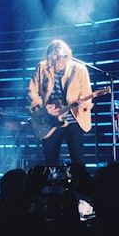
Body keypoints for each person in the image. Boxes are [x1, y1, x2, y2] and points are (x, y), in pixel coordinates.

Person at [27, 39, 94, 167]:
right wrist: (44, 107)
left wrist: (84, 104)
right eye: (52, 58)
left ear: (66, 56)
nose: (55, 61)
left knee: (78, 161)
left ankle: (80, 186)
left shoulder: (79, 69)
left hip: (74, 119)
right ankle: (52, 186)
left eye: (59, 58)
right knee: (50, 162)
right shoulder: (42, 67)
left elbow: (87, 96)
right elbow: (31, 91)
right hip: (49, 120)